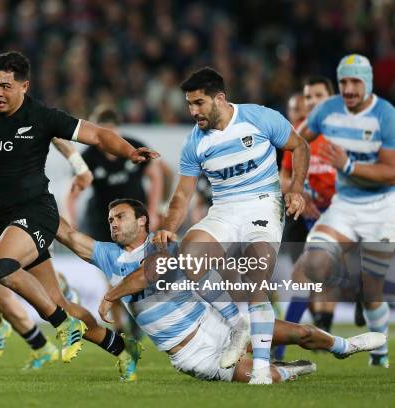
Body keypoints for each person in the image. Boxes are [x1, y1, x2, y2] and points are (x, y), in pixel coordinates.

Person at [0, 51, 157, 368]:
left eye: (6, 86)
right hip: (1, 219)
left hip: (36, 211)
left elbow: (96, 134)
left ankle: (60, 326)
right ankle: (122, 348)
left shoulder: (41, 116)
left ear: (24, 86)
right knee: (57, 302)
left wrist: (127, 150)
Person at [57, 198, 386, 383]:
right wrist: (31, 204)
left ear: (142, 221)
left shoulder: (161, 243)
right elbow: (69, 235)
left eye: (120, 217)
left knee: (298, 332)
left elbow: (150, 274)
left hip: (218, 326)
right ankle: (290, 369)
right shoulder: (106, 255)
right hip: (189, 353)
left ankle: (344, 345)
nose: (112, 223)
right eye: (110, 218)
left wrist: (111, 295)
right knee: (259, 379)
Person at [153, 67, 310, 384]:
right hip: (224, 209)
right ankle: (238, 323)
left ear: (219, 98)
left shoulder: (260, 118)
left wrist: (296, 189)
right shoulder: (194, 143)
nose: (193, 111)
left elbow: (300, 146)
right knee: (190, 255)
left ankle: (263, 370)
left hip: (263, 204)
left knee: (256, 281)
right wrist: (168, 225)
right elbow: (182, 194)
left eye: (198, 103)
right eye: (189, 104)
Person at [297, 54, 395, 368]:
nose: (349, 89)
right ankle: (345, 276)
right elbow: (296, 141)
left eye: (355, 82)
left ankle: (379, 351)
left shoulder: (385, 115)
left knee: (372, 290)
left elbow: (392, 172)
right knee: (314, 264)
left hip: (382, 207)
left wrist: (349, 165)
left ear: (367, 83)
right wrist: (295, 183)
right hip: (345, 205)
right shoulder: (327, 110)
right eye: (344, 82)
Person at [276, 77, 337, 360]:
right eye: (307, 97)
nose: (310, 103)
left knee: (308, 275)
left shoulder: (344, 130)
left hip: (340, 214)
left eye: (317, 96)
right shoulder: (301, 133)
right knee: (304, 274)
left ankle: (280, 346)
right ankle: (316, 325)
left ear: (331, 96)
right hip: (306, 214)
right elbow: (286, 173)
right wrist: (300, 192)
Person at [65, 105, 163, 241]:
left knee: (138, 258)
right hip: (102, 220)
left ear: (118, 129)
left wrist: (153, 211)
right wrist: (71, 222)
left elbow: (155, 177)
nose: (107, 137)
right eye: (102, 132)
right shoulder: (88, 158)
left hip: (135, 217)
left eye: (111, 131)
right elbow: (72, 193)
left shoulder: (135, 147)